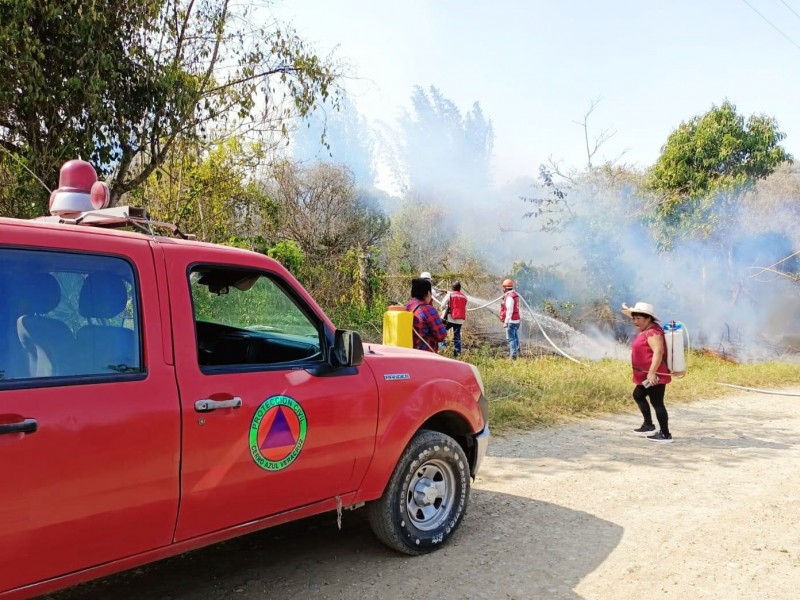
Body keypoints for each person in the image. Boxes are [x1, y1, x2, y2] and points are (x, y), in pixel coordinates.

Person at [621, 301, 673, 443]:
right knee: (638, 395)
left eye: (639, 318)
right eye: (634, 318)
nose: (635, 321)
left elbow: (658, 352)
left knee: (657, 402)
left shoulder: (653, 333)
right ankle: (649, 425)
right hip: (647, 375)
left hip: (655, 375)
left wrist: (651, 373)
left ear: (648, 318)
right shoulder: (646, 331)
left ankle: (665, 434)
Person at [406, 278, 447, 352]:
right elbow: (441, 335)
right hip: (424, 355)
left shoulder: (406, 307)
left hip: (407, 353)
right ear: (428, 293)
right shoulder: (428, 310)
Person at [440, 281, 468, 357]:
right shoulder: (464, 297)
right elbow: (465, 309)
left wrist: (443, 311)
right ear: (460, 288)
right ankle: (457, 353)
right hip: (460, 320)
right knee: (457, 336)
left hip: (450, 318)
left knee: (441, 332)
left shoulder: (450, 295)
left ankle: (442, 350)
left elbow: (442, 305)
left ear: (452, 288)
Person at [499, 278, 521, 359]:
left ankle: (513, 356)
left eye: (503, 287)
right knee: (515, 337)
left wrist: (506, 321)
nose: (502, 289)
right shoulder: (514, 294)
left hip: (511, 321)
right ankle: (518, 352)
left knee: (511, 339)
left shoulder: (509, 297)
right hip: (516, 320)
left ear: (505, 288)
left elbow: (510, 310)